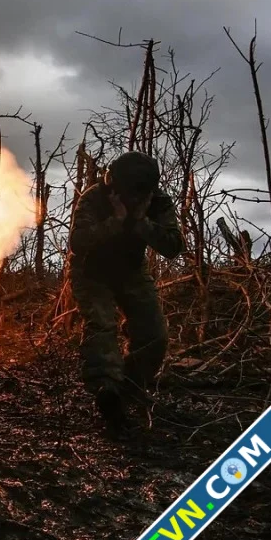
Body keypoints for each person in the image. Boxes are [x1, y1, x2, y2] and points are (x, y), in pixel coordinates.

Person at [68, 151, 184, 436]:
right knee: (102, 327)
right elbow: (78, 242)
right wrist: (117, 222)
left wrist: (141, 222)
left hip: (131, 272)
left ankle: (128, 389)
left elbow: (173, 246)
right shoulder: (95, 197)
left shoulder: (156, 201)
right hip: (91, 273)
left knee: (154, 335)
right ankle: (106, 392)